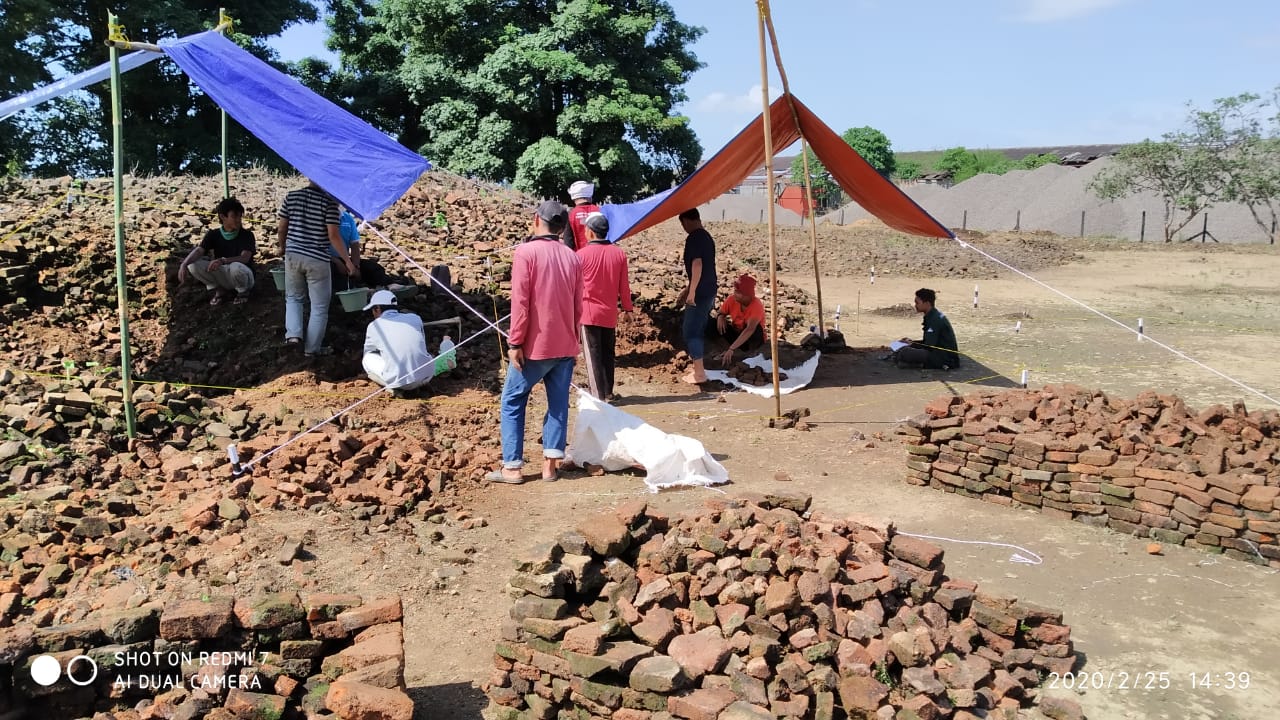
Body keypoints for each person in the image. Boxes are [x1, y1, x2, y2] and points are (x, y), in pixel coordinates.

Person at [488, 200, 583, 485]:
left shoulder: (526, 253)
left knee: (513, 400)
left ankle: (513, 467)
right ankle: (549, 467)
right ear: (563, 227)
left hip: (535, 346)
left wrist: (515, 342)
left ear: (536, 220)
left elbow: (521, 303)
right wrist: (574, 340)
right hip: (565, 344)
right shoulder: (572, 257)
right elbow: (579, 305)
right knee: (558, 404)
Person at [277, 180, 354, 357]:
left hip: (293, 255)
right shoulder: (329, 204)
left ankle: (293, 336)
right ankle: (312, 350)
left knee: (294, 298)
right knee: (319, 307)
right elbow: (333, 235)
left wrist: (282, 247)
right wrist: (348, 261)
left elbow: (282, 228)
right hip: (317, 259)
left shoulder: (292, 196)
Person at [576, 211, 633, 400]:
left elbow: (573, 285)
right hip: (609, 313)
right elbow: (624, 285)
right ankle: (608, 391)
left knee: (593, 355)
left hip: (588, 313)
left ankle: (598, 395)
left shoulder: (581, 255)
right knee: (608, 353)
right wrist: (627, 309)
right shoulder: (619, 254)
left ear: (591, 232)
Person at [178, 197, 256, 305]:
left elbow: (245, 258)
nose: (238, 219)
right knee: (193, 265)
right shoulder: (213, 234)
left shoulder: (247, 235)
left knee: (235, 267)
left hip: (243, 275)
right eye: (234, 216)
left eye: (239, 216)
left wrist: (223, 260)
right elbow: (200, 250)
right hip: (224, 274)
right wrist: (184, 264)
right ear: (223, 217)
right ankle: (220, 290)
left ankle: (243, 292)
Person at [361, 289, 434, 392]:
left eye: (373, 310)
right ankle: (420, 384)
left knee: (367, 358)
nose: (373, 313)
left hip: (400, 382)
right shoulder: (415, 318)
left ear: (377, 308)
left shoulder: (374, 326)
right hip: (426, 376)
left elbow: (369, 352)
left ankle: (392, 387)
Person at [675, 208, 717, 384]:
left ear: (687, 221)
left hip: (700, 294)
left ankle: (699, 374)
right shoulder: (706, 237)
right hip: (709, 290)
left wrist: (691, 293)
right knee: (698, 328)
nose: (684, 227)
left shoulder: (694, 238)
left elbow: (698, 265)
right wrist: (687, 290)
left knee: (691, 331)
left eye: (682, 223)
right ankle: (699, 369)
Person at [329, 209, 403, 292]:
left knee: (371, 266)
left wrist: (356, 266)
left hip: (345, 258)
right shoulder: (322, 218)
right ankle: (356, 290)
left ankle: (388, 284)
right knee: (332, 272)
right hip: (327, 259)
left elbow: (354, 245)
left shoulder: (347, 218)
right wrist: (336, 261)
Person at [893, 288, 961, 369]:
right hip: (937, 352)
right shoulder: (932, 316)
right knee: (897, 345)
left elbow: (929, 346)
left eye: (917, 303)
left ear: (927, 303)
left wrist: (911, 344)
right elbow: (928, 342)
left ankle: (919, 364)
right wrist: (911, 342)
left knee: (904, 352)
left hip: (944, 357)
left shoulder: (935, 319)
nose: (915, 305)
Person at [711, 273, 766, 367]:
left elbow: (750, 329)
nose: (735, 294)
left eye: (738, 292)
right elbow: (720, 312)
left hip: (751, 339)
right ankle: (719, 347)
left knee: (755, 328)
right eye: (735, 291)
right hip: (737, 334)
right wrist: (720, 316)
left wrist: (731, 349)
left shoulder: (756, 305)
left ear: (747, 295)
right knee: (712, 322)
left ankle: (751, 353)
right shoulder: (732, 299)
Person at [562, 180, 601, 251]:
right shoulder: (600, 211)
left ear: (573, 197)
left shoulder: (571, 214)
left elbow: (568, 241)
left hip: (580, 257)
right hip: (601, 255)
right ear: (590, 195)